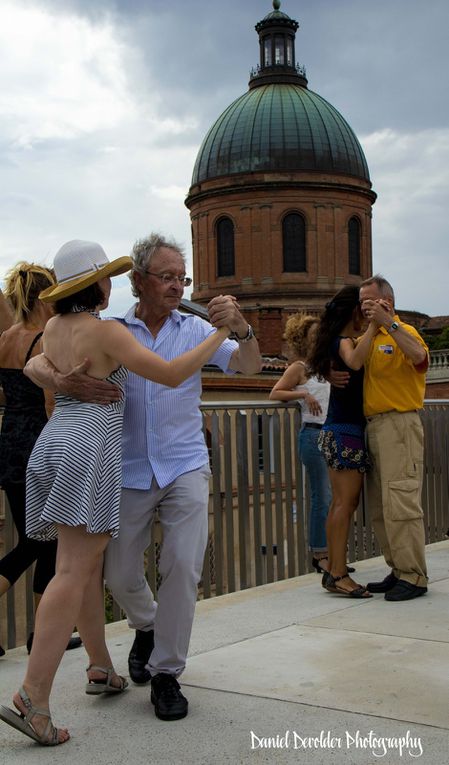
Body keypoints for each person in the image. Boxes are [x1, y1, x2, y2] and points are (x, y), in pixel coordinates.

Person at [0, 239, 232, 746]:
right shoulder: (106, 332)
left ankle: (101, 668)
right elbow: (170, 374)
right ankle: (32, 698)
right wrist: (219, 334)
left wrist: (59, 378)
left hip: (53, 443)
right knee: (71, 573)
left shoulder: (56, 328)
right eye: (106, 276)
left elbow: (32, 366)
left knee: (79, 569)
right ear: (98, 284)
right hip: (90, 448)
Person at [0, 263, 82, 659]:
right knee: (40, 543)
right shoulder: (43, 341)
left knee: (39, 543)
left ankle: (43, 635)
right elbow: (52, 405)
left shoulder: (5, 339)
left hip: (9, 445)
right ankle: (44, 634)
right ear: (45, 297)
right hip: (39, 447)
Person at [359, 275, 429, 601]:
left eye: (370, 301)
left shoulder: (405, 332)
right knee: (380, 505)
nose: (365, 306)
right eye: (362, 302)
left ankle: (414, 575)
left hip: (399, 424)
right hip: (374, 427)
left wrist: (391, 324)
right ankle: (398, 568)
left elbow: (419, 357)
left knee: (401, 500)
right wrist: (376, 327)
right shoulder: (370, 338)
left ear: (387, 300)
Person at [308, 285, 376, 598]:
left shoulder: (336, 342)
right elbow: (356, 362)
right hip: (344, 431)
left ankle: (335, 570)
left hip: (338, 430)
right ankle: (337, 573)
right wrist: (378, 324)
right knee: (343, 505)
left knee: (341, 504)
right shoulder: (346, 342)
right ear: (354, 311)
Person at [269, 314, 332, 572]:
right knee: (322, 496)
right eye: (313, 335)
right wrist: (303, 394)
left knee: (337, 498)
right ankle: (320, 555)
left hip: (333, 435)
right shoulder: (300, 367)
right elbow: (275, 392)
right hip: (313, 435)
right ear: (302, 340)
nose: (318, 339)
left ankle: (334, 553)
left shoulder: (327, 365)